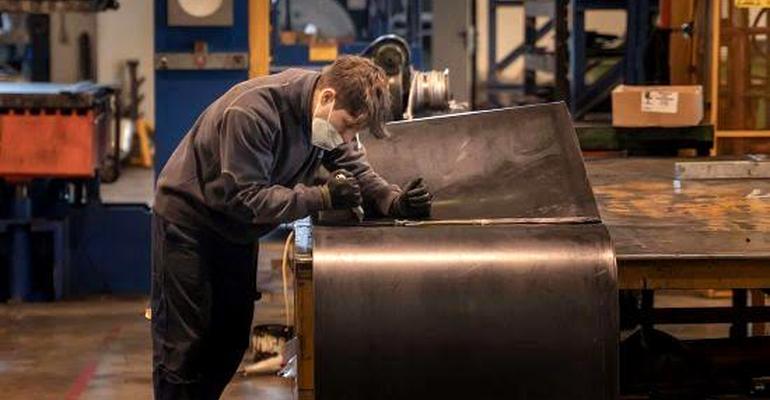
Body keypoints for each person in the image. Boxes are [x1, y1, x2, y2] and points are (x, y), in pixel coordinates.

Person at [151, 55, 432, 399]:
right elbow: (247, 198)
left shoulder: (322, 116)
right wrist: (322, 197)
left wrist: (392, 199)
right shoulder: (252, 113)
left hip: (236, 231)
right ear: (328, 97)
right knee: (185, 347)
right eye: (346, 127)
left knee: (229, 339)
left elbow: (352, 163)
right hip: (191, 223)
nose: (345, 138)